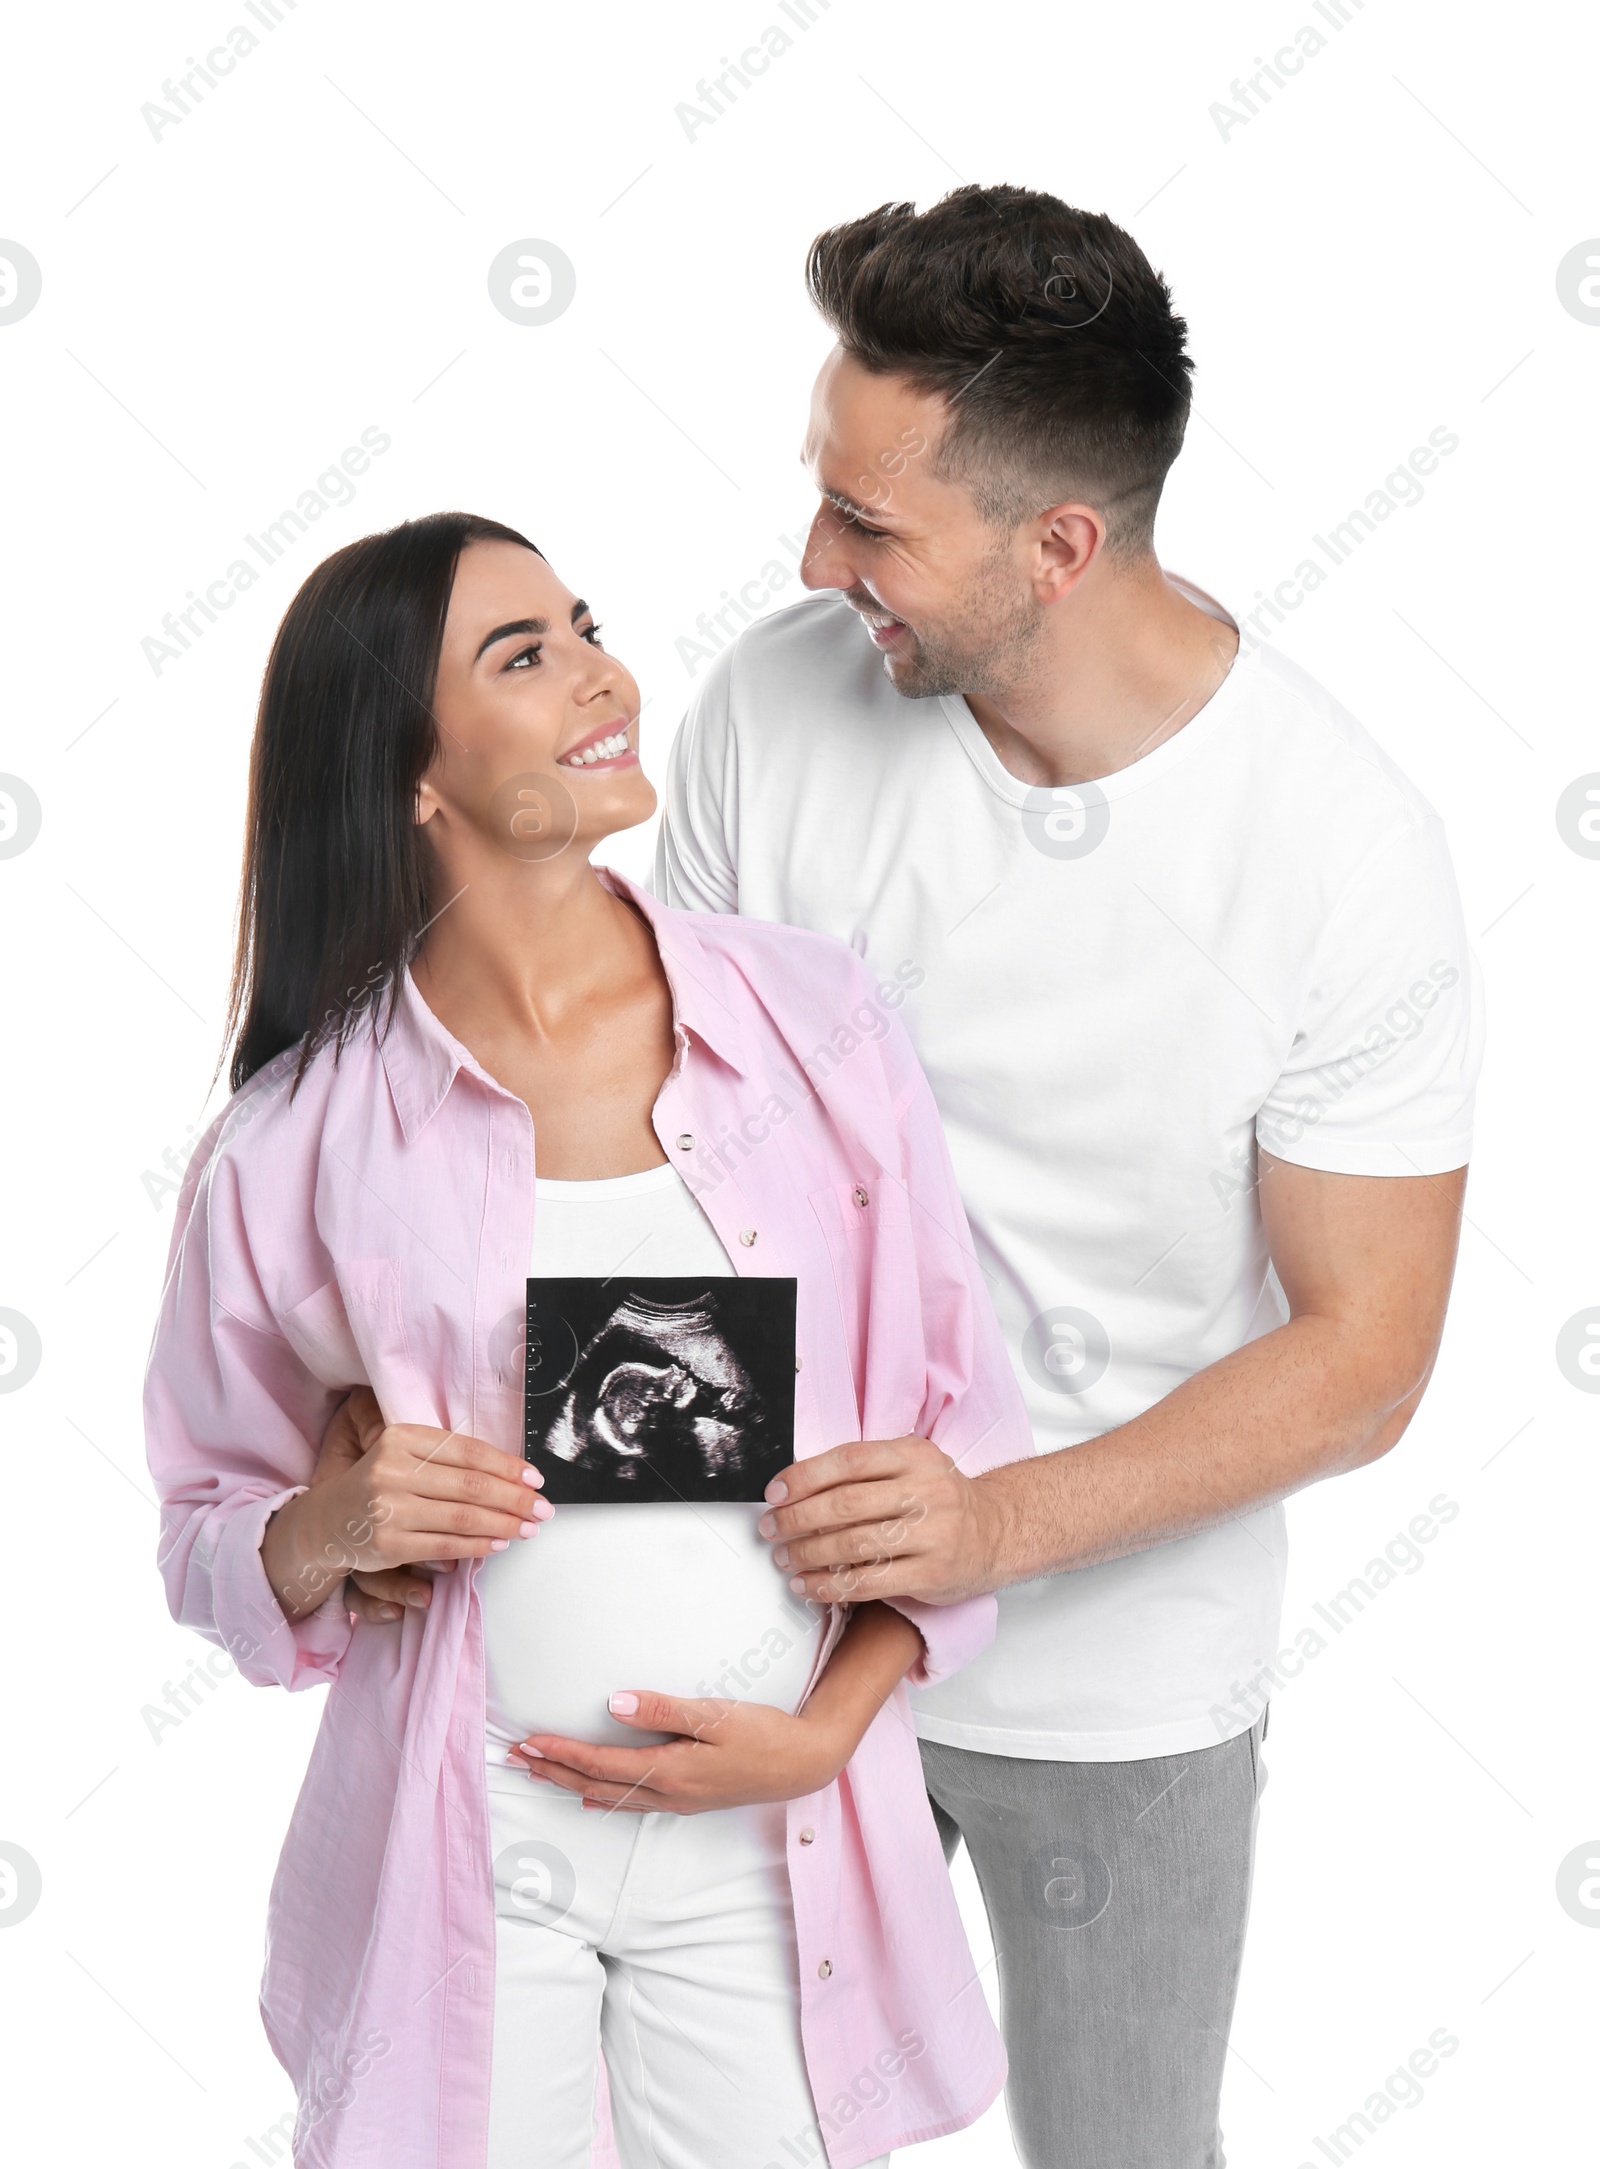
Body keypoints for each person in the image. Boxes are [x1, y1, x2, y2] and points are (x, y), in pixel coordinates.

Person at [645, 187, 1480, 2167]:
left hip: (1120, 1688)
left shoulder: (1338, 848)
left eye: (868, 524)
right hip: (760, 1614)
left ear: (1057, 545)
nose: (809, 557)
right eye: (818, 498)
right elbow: (663, 1153)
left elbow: (1363, 1358)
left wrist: (985, 1527)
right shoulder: (772, 705)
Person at [143, 512, 1033, 2169]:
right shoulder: (294, 1140)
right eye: (522, 654)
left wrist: (829, 1730)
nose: (600, 673)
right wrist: (334, 1527)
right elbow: (203, 1537)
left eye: (584, 625)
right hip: (471, 1831)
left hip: (772, 1824)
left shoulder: (816, 1025)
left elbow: (961, 1443)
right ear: (412, 775)